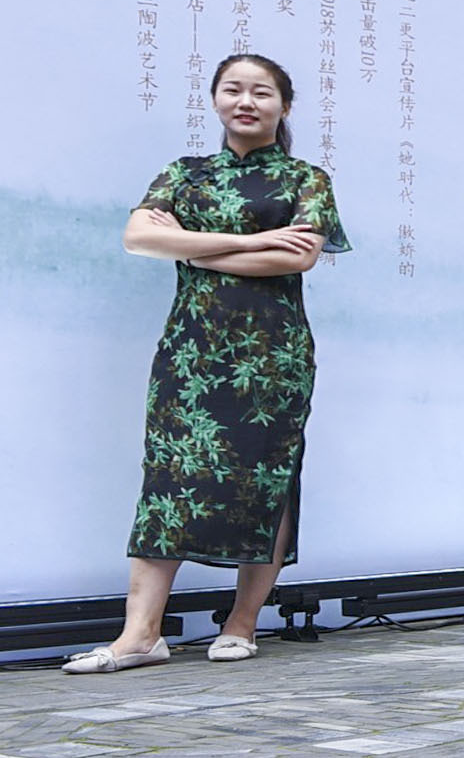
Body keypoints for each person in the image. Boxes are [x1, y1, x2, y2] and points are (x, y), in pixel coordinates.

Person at [64, 55, 352, 675]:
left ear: (284, 106)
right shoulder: (184, 174)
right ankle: (140, 635)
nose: (246, 101)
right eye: (233, 89)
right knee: (167, 481)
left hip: (271, 356)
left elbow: (296, 258)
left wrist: (191, 248)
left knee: (266, 479)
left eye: (261, 92)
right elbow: (139, 237)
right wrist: (252, 241)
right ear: (216, 99)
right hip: (190, 352)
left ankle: (241, 624)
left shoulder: (306, 178)